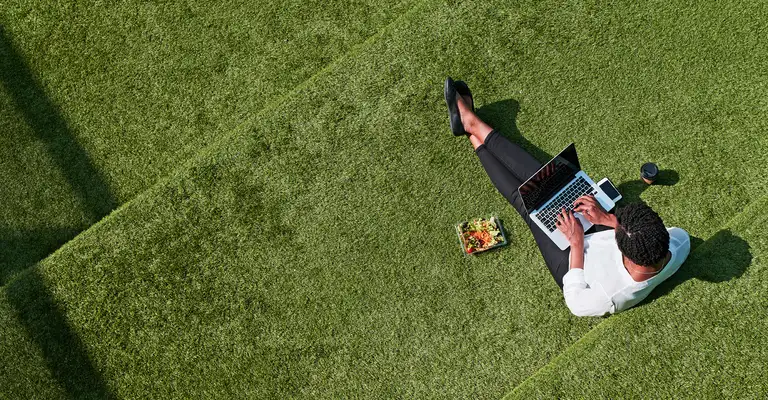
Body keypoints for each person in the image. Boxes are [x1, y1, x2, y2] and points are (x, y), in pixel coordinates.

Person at [444, 78, 691, 317]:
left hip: (576, 262)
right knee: (552, 183)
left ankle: (471, 129)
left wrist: (576, 242)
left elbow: (574, 299)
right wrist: (607, 218)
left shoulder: (607, 297)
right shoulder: (677, 244)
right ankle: (471, 126)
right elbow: (658, 235)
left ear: (624, 255)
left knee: (529, 207)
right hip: (603, 236)